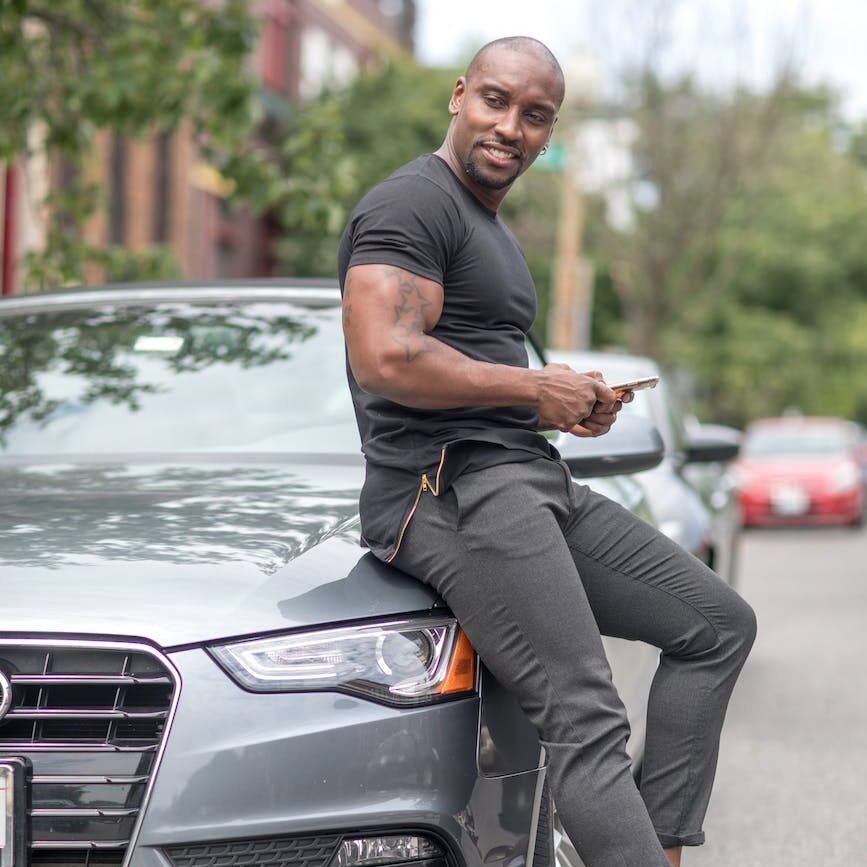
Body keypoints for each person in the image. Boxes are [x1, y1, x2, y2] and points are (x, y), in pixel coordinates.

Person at [338, 36, 756, 867]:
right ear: (458, 95)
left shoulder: (485, 224)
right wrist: (536, 390)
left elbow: (477, 372)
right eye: (495, 101)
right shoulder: (408, 204)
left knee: (714, 625)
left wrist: (560, 406)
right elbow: (383, 355)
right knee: (585, 712)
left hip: (524, 478)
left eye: (536, 116)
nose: (510, 128)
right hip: (448, 491)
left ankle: (654, 846)